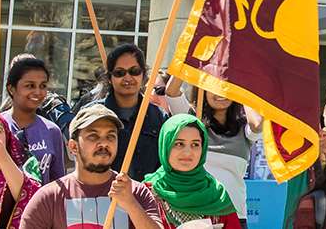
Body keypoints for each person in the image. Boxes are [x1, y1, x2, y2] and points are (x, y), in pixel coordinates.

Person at [19, 106, 163, 229]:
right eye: (93, 136)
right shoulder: (49, 197)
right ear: (74, 146)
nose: (103, 143)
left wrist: (131, 204)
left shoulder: (136, 192)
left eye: (110, 136)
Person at [162, 78, 261, 219]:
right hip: (196, 216)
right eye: (213, 87)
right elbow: (171, 92)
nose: (220, 92)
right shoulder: (192, 120)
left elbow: (257, 125)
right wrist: (188, 57)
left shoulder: (244, 129)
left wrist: (241, 84)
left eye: (227, 87)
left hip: (234, 216)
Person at [82, 44, 167, 181]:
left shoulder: (159, 117)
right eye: (120, 73)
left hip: (146, 198)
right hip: (104, 197)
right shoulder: (91, 114)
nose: (127, 78)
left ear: (143, 75)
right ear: (110, 78)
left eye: (134, 71)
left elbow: (165, 165)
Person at [143, 115, 241, 229]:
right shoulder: (147, 192)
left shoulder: (216, 193)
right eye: (179, 144)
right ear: (166, 145)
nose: (187, 152)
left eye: (195, 145)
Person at [1, 56, 66, 182]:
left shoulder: (52, 131)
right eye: (30, 86)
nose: (37, 92)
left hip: (41, 201)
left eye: (43, 86)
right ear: (11, 89)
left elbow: (56, 182)